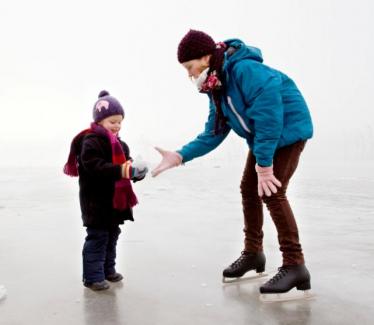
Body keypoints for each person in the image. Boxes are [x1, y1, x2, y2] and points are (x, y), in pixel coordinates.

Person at [152, 30, 313, 295]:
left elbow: (269, 115)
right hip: (265, 137)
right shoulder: (218, 86)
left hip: (288, 131)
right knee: (249, 189)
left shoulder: (245, 70)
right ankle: (253, 253)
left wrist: (264, 165)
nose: (189, 75)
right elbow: (213, 132)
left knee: (272, 192)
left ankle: (295, 265)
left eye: (190, 67)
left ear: (205, 58)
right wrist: (179, 155)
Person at [64, 90, 148, 290]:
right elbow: (95, 166)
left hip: (114, 202)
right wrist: (123, 169)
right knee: (98, 237)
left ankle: (108, 270)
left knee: (112, 234)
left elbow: (125, 170)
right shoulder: (90, 141)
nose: (117, 126)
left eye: (120, 121)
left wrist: (136, 172)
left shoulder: (120, 144)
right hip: (96, 201)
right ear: (100, 120)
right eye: (112, 121)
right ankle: (92, 277)